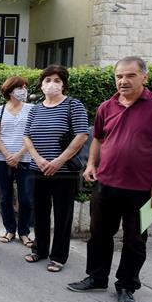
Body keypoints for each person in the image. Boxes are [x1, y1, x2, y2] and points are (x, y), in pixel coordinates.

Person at [68, 57, 152, 302]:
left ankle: (127, 286)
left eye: (130, 75)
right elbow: (97, 138)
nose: (123, 81)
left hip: (143, 188)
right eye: (119, 76)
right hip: (106, 184)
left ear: (144, 78)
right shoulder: (107, 106)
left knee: (135, 239)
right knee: (98, 234)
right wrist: (91, 165)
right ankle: (96, 278)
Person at [23, 65, 88, 272]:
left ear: (64, 85)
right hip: (37, 169)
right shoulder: (35, 108)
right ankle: (39, 249)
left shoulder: (73, 106)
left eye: (57, 80)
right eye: (48, 80)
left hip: (64, 172)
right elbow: (27, 136)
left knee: (63, 214)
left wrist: (59, 161)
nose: (52, 84)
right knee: (40, 212)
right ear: (41, 85)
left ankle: (58, 256)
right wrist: (38, 159)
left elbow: (81, 136)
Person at [0, 76, 34, 247]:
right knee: (5, 196)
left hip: (26, 158)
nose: (24, 90)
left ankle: (24, 232)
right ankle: (9, 230)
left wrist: (19, 154)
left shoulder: (32, 109)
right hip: (2, 159)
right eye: (20, 87)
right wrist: (8, 154)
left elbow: (33, 134)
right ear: (10, 90)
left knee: (26, 198)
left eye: (25, 87)